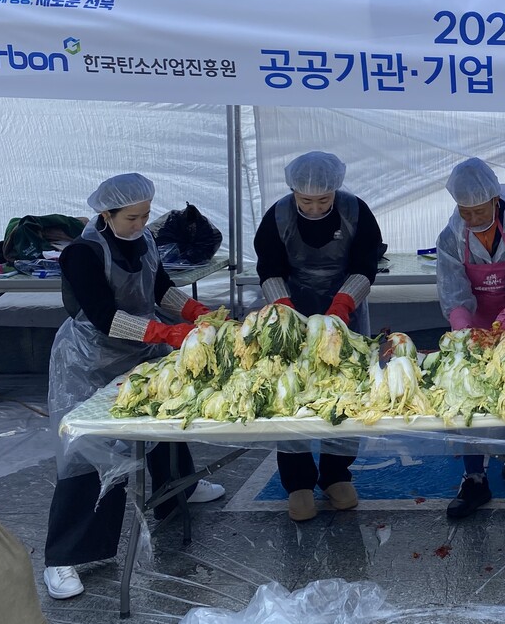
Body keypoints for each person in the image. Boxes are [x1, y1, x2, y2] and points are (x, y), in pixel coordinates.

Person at [43, 174, 224, 600]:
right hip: (89, 359)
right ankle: (64, 558)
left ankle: (177, 490)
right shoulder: (82, 254)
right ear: (106, 215)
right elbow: (105, 317)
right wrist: (167, 334)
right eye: (132, 217)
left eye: (146, 214)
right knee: (87, 452)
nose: (142, 223)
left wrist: (195, 311)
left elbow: (159, 288)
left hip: (139, 351)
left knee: (162, 419)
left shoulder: (143, 242)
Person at [255, 151, 382, 522]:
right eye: (305, 200)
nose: (313, 208)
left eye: (322, 201)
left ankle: (335, 473)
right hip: (293, 309)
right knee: (292, 394)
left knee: (344, 392)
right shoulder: (277, 216)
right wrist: (284, 309)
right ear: (292, 191)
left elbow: (365, 265)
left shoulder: (356, 211)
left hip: (346, 310)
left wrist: (343, 305)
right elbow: (269, 267)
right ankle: (297, 482)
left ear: (336, 191)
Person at [436, 157, 505, 519]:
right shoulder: (452, 236)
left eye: (479, 210)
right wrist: (464, 330)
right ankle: (474, 477)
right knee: (472, 395)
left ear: (495, 200)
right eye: (464, 212)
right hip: (475, 320)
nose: (472, 218)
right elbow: (454, 292)